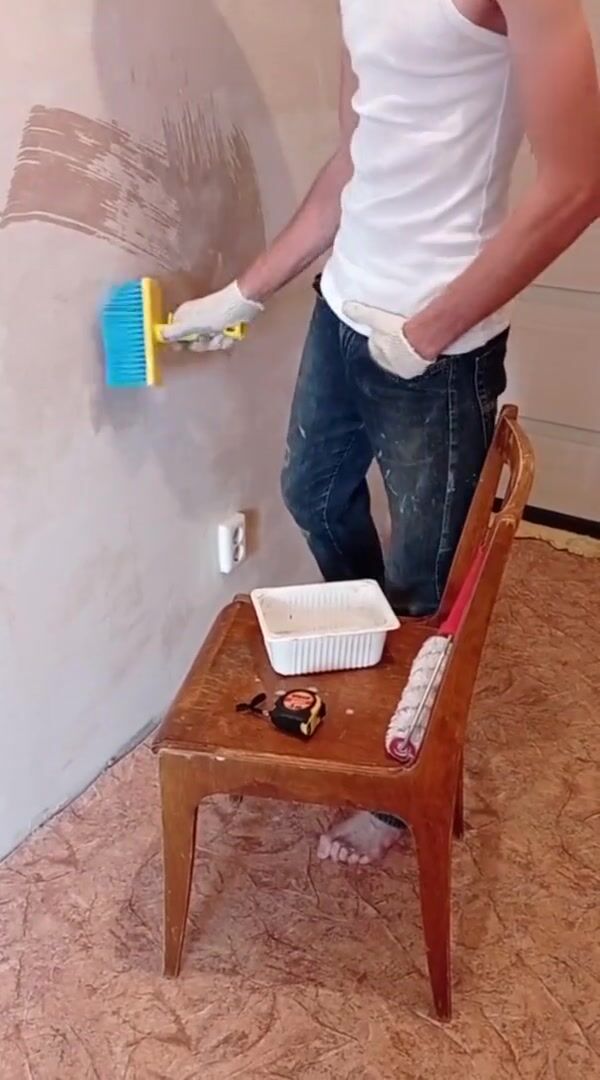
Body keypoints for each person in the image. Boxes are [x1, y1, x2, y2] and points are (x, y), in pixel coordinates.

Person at [164, 0, 600, 865]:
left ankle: (402, 796)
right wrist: (245, 291)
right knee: (314, 493)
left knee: (426, 580)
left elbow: (578, 183)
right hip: (343, 307)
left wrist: (430, 332)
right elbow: (359, 153)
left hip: (436, 346)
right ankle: (382, 668)